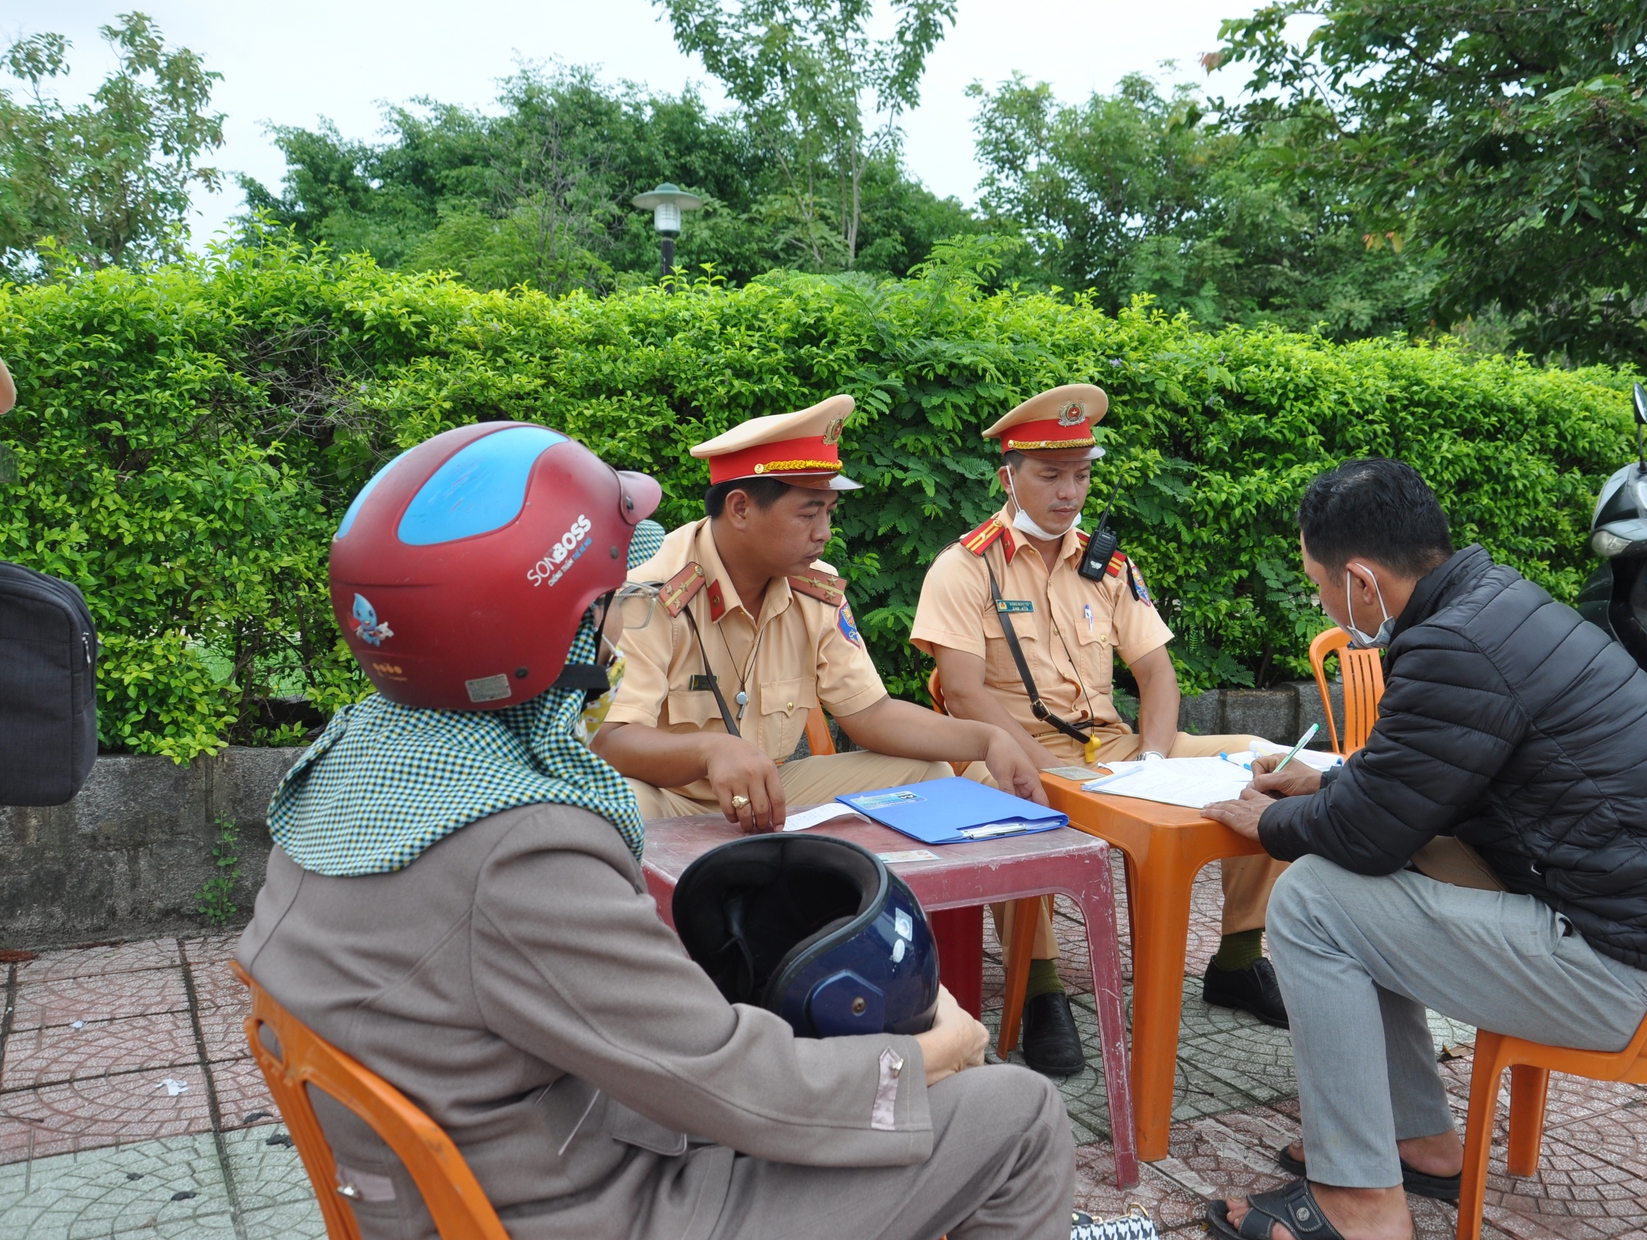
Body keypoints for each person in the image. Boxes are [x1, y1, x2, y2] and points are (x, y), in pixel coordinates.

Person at [239, 421, 1075, 1240]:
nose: (622, 624)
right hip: (585, 1202)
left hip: (494, 1156)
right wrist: (928, 1053)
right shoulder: (525, 849)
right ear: (553, 625)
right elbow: (739, 1085)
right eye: (611, 603)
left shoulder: (346, 771)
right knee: (1019, 1112)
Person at [1199, 457, 1647, 1240]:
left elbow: (1370, 832)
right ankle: (1419, 1141)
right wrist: (1324, 783)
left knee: (1312, 899)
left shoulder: (1452, 645)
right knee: (1364, 881)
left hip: (1630, 977)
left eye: (1318, 583)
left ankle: (1359, 1206)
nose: (1321, 600)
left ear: (1361, 580)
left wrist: (1267, 823)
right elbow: (1419, 782)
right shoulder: (1497, 604)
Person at [910, 384, 1288, 1077]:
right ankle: (1041, 989)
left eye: (1081, 475)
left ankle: (1238, 956)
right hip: (1011, 750)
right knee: (1000, 793)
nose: (1069, 492)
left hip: (1115, 748)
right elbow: (962, 691)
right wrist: (1039, 764)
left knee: (1268, 763)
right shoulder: (963, 568)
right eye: (1050, 475)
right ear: (1008, 477)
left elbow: (1158, 676)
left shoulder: (1108, 565)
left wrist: (1153, 761)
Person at [594, 395, 1046, 830]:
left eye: (829, 512)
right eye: (809, 514)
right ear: (740, 508)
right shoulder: (652, 595)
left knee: (929, 775)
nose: (825, 533)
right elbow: (609, 739)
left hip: (772, 794)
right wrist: (710, 751)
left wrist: (988, 738)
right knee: (616, 806)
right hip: (670, 800)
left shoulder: (815, 589)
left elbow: (871, 714)